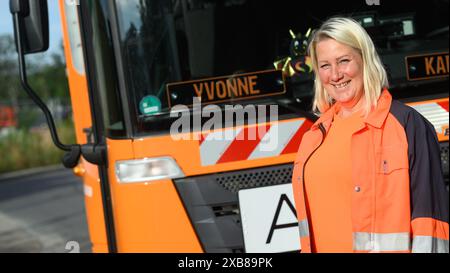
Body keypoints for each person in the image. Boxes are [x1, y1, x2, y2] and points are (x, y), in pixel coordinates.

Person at [291, 17, 449, 253]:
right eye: (325, 66)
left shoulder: (406, 124)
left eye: (344, 61)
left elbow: (430, 226)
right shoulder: (314, 137)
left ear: (365, 60)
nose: (335, 75)